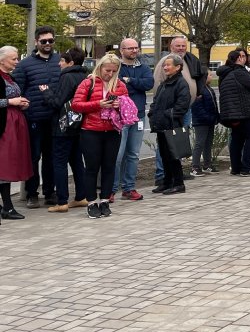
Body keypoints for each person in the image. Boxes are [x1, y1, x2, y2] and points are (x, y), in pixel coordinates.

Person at [71, 52, 128, 219]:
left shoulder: (120, 85)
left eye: (113, 71)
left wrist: (119, 104)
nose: (109, 74)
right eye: (107, 70)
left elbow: (127, 106)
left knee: (109, 166)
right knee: (92, 167)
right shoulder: (88, 82)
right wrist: (98, 104)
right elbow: (76, 105)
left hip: (112, 130)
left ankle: (104, 200)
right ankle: (91, 202)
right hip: (90, 130)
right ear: (100, 67)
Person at [12, 26, 61, 209]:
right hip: (33, 118)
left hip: (55, 118)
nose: (48, 44)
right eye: (44, 41)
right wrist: (24, 108)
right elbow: (18, 90)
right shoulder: (24, 65)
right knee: (33, 157)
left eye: (50, 40)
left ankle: (50, 192)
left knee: (52, 157)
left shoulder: (60, 61)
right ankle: (32, 194)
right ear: (36, 42)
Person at [38, 47, 89, 212]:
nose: (59, 63)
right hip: (79, 125)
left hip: (63, 127)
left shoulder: (67, 77)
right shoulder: (85, 76)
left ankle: (62, 201)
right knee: (77, 162)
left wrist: (46, 93)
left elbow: (57, 103)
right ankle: (81, 196)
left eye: (62, 60)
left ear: (70, 63)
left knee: (59, 163)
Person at [153, 36, 205, 187]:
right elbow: (158, 86)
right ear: (171, 46)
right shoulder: (167, 62)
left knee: (177, 144)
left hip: (184, 110)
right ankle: (163, 175)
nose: (181, 48)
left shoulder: (187, 60)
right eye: (178, 46)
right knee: (166, 145)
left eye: (184, 46)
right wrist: (165, 111)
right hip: (171, 112)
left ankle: (176, 175)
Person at [113, 37, 153, 202]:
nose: (134, 51)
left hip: (138, 116)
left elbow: (149, 83)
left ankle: (129, 188)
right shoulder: (116, 67)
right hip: (120, 116)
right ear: (122, 50)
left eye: (136, 48)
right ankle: (111, 189)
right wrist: (135, 84)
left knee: (134, 154)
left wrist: (130, 81)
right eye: (130, 48)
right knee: (117, 155)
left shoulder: (143, 67)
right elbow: (116, 86)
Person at [217, 49, 250, 178]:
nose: (244, 59)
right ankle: (247, 168)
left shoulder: (225, 74)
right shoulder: (239, 72)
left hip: (234, 113)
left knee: (237, 139)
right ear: (239, 59)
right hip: (247, 111)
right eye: (242, 57)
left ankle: (236, 167)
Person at [148, 54, 192, 195]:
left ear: (178, 67)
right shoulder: (164, 84)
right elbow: (155, 102)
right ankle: (167, 182)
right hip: (161, 125)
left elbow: (183, 104)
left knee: (173, 155)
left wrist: (168, 115)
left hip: (171, 124)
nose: (165, 67)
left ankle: (178, 183)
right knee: (164, 155)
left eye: (168, 65)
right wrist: (152, 113)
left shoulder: (180, 83)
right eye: (164, 65)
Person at [0, 45, 33, 221]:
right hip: (4, 125)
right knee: (4, 164)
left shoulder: (9, 77)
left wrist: (21, 103)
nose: (17, 61)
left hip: (13, 122)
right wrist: (11, 101)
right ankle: (7, 206)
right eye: (13, 58)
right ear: (2, 60)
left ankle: (6, 206)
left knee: (10, 163)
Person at [190, 80, 220, 176]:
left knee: (208, 143)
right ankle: (195, 166)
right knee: (200, 143)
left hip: (210, 120)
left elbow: (213, 104)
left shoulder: (209, 88)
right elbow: (197, 107)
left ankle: (207, 164)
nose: (211, 77)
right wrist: (208, 117)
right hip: (201, 121)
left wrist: (215, 117)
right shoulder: (199, 89)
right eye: (209, 75)